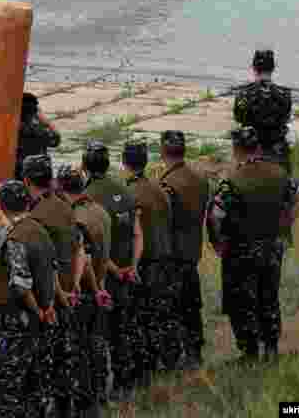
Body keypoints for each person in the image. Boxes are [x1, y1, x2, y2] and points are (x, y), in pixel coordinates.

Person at [208, 127, 299, 363]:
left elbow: (215, 216)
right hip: (272, 246)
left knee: (242, 300)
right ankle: (271, 348)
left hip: (241, 249)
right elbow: (298, 196)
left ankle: (249, 352)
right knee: (268, 296)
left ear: (236, 149)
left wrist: (218, 243)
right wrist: (286, 223)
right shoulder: (280, 173)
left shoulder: (233, 180)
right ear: (258, 147)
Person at [0, 180, 57, 418]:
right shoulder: (41, 231)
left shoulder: (16, 237)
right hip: (43, 317)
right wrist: (47, 308)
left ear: (2, 206)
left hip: (18, 321)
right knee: (35, 382)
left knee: (6, 382)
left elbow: (21, 282)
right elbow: (53, 270)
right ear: (27, 201)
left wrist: (37, 310)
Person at [82, 141, 144, 401]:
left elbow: (92, 247)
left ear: (84, 165)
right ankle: (125, 383)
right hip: (127, 275)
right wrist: (132, 267)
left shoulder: (88, 197)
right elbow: (137, 234)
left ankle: (100, 391)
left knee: (98, 336)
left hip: (104, 278)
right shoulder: (125, 190)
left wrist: (115, 270)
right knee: (122, 332)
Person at [23, 154, 83, 418]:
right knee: (63, 356)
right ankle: (64, 406)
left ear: (26, 181)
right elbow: (78, 249)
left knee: (42, 359)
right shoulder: (65, 207)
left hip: (50, 298)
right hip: (70, 290)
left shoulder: (37, 217)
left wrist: (50, 300)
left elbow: (46, 265)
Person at [56, 164, 113, 418]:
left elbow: (85, 258)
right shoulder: (100, 211)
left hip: (84, 291)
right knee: (97, 347)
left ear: (61, 187)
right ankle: (101, 395)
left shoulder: (75, 219)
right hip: (100, 286)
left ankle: (85, 406)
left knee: (78, 354)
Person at [122, 140, 181, 381]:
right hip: (165, 259)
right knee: (162, 313)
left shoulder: (128, 193)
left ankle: (144, 367)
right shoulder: (160, 188)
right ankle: (166, 360)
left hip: (145, 263)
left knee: (140, 316)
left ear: (124, 163)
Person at [158, 129, 211, 369]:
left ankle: (177, 355)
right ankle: (195, 350)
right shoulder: (201, 180)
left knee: (172, 307)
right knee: (192, 304)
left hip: (172, 254)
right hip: (192, 252)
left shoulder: (167, 185)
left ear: (162, 151)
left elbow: (164, 221)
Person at [233, 49, 293, 173]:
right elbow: (285, 118)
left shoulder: (243, 94)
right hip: (276, 149)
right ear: (273, 68)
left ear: (254, 67)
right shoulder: (285, 94)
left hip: (249, 148)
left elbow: (238, 118)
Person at [16, 93, 62, 181]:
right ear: (34, 112)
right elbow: (56, 139)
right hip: (35, 177)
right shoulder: (38, 131)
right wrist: (46, 122)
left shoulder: (13, 128)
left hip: (17, 173)